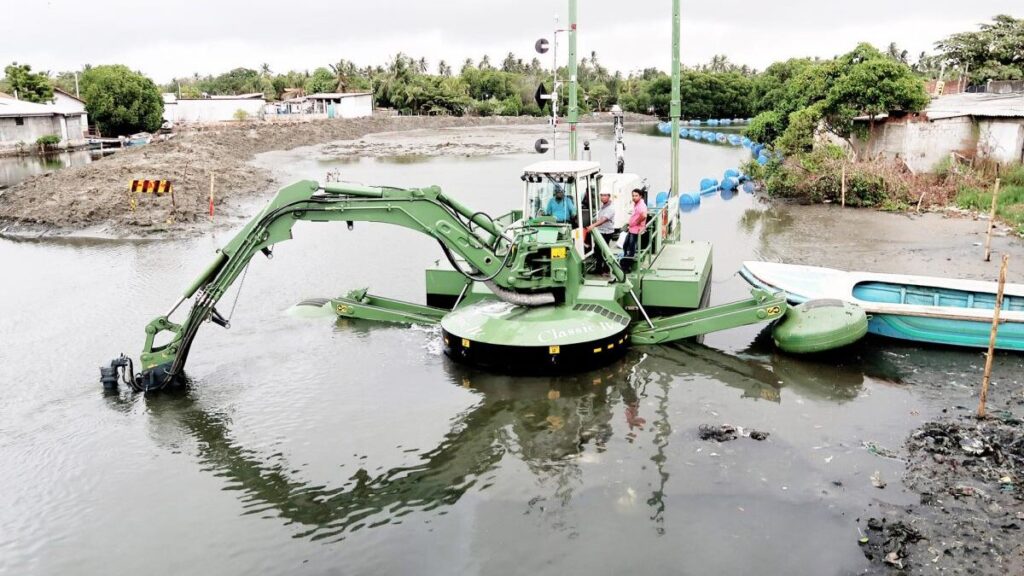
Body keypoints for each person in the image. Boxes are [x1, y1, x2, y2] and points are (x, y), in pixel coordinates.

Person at [585, 192, 616, 274]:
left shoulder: (611, 208)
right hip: (601, 231)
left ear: (609, 196)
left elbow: (603, 220)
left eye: (605, 195)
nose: (602, 197)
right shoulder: (603, 206)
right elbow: (599, 217)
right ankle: (604, 268)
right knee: (600, 251)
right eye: (601, 195)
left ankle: (602, 269)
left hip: (606, 232)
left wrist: (592, 226)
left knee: (601, 251)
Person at [622, 189, 647, 267]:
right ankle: (626, 258)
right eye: (633, 196)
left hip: (636, 229)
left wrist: (636, 222)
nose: (634, 197)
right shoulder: (636, 204)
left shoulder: (641, 205)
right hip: (632, 228)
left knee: (631, 247)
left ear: (640, 196)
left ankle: (628, 265)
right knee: (625, 245)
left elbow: (644, 215)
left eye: (636, 196)